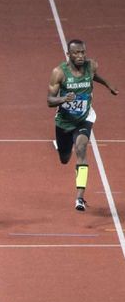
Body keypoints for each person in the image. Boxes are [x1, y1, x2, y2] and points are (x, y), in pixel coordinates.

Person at [47, 39, 118, 211]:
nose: (80, 56)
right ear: (68, 54)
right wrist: (64, 99)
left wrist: (108, 85)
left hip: (84, 118)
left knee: (81, 148)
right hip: (64, 121)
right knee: (65, 158)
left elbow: (94, 76)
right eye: (76, 53)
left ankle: (79, 197)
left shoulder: (91, 66)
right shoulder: (59, 73)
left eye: (83, 52)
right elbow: (49, 100)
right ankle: (62, 146)